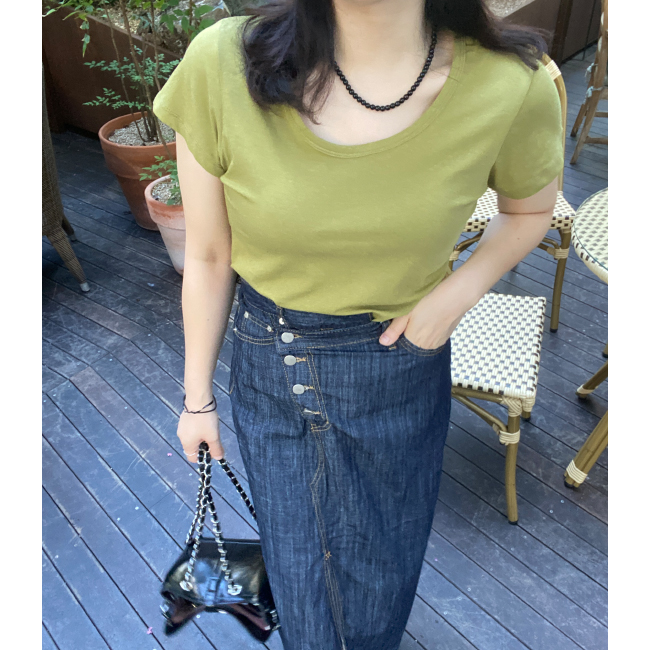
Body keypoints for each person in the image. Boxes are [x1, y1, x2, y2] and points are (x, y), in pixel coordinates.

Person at [152, 1, 563, 648]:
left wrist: (448, 302)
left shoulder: (510, 85)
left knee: (386, 560)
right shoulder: (223, 64)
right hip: (271, 358)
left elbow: (529, 210)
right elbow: (206, 254)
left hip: (401, 363)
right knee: (300, 567)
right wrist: (196, 399)